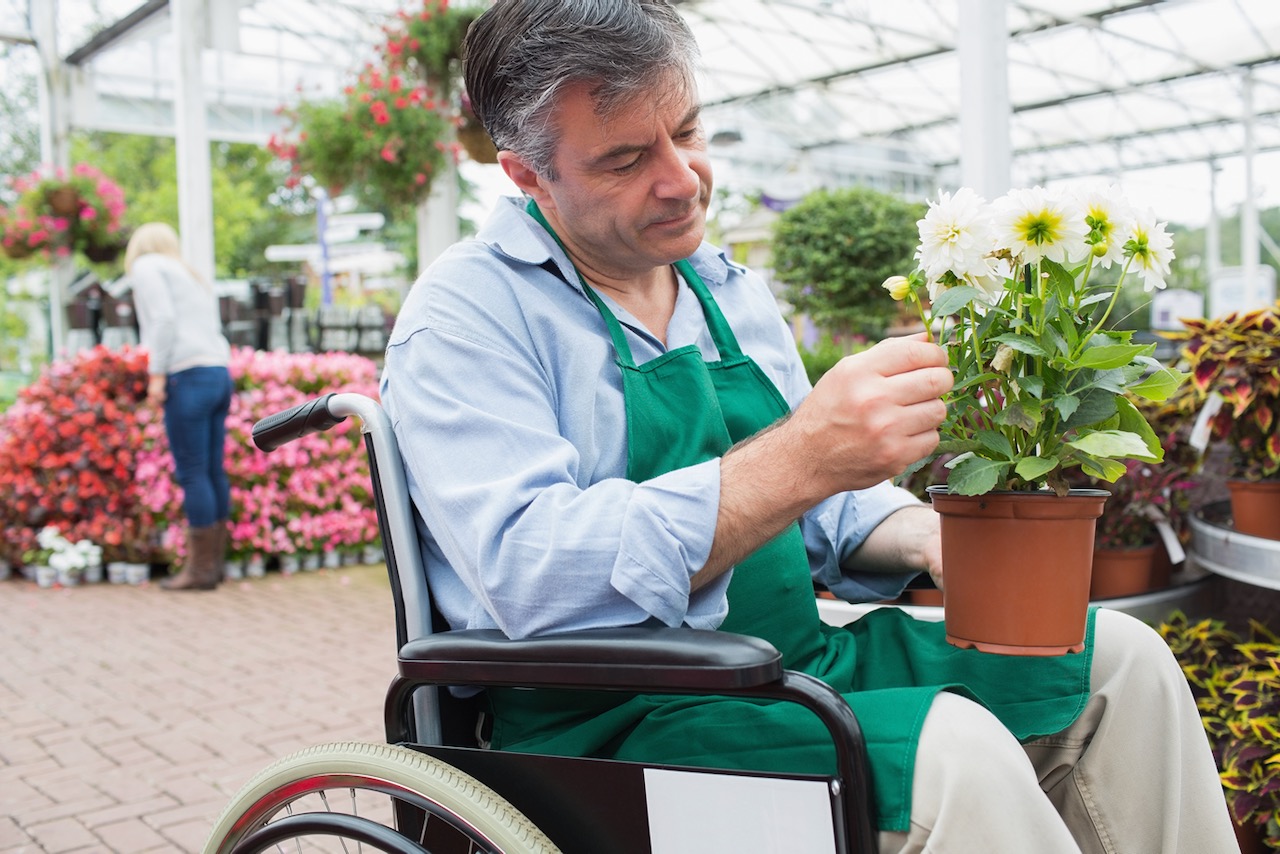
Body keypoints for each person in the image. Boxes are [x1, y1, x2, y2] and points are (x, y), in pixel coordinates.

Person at [380, 2, 1238, 851]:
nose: (682, 178)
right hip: (614, 726)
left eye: (687, 129)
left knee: (1123, 662)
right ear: (528, 176)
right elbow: (531, 574)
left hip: (788, 672)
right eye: (627, 159)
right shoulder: (468, 317)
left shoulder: (727, 291)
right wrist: (801, 455)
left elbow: (824, 514)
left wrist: (932, 536)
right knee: (956, 752)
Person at [125, 222, 232, 591]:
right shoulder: (188, 273)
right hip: (218, 372)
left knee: (192, 471)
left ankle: (201, 570)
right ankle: (214, 566)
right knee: (213, 470)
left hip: (186, 375)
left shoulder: (146, 267)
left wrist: (156, 374)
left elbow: (163, 320)